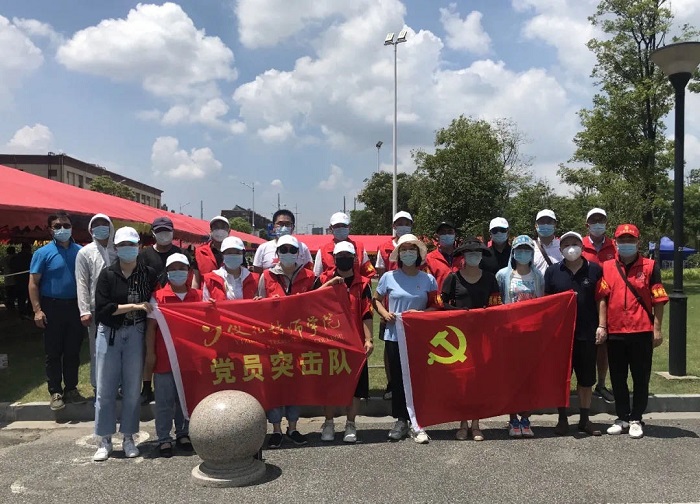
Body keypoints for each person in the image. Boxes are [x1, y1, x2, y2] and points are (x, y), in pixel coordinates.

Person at [597, 224, 668, 439]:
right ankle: (622, 417)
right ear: (615, 242)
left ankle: (636, 418)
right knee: (618, 377)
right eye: (622, 240)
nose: (626, 243)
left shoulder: (650, 266)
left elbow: (658, 300)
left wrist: (657, 329)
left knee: (640, 377)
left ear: (638, 242)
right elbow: (602, 298)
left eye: (630, 240)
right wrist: (602, 326)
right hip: (616, 330)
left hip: (641, 330)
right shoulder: (607, 266)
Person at [93, 226, 158, 461]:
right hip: (109, 333)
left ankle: (129, 437)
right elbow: (103, 309)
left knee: (132, 389)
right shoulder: (108, 274)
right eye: (122, 245)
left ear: (138, 246)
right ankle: (105, 439)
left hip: (135, 332)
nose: (127, 249)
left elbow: (156, 300)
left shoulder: (148, 273)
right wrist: (135, 306)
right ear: (116, 248)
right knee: (105, 389)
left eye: (131, 245)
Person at [373, 233, 442, 444]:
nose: (408, 253)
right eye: (404, 250)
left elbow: (436, 306)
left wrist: (422, 314)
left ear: (418, 253)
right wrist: (384, 313)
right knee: (398, 379)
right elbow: (376, 300)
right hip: (394, 335)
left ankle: (417, 421)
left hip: (418, 337)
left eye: (412, 249)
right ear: (399, 254)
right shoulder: (388, 277)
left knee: (418, 378)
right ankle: (401, 420)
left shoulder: (428, 279)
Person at [257, 235, 316, 448]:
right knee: (274, 383)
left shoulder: (310, 276)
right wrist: (265, 302)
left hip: (300, 339)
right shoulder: (266, 275)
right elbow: (258, 304)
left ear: (298, 253)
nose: (288, 253)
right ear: (277, 253)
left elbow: (316, 304)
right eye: (283, 249)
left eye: (292, 249)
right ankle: (276, 430)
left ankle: (293, 428)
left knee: (295, 383)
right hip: (273, 340)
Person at [441, 237, 501, 441]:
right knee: (462, 380)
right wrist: (459, 313)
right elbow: (442, 304)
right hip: (459, 338)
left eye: (477, 253)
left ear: (482, 256)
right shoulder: (453, 278)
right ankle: (462, 423)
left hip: (483, 336)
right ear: (463, 256)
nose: (474, 256)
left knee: (478, 381)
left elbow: (496, 305)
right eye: (470, 253)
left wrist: (484, 313)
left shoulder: (490, 279)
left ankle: (476, 424)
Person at [544, 231, 604, 437]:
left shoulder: (595, 270)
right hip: (561, 336)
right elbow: (547, 304)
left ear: (582, 247)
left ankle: (585, 419)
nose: (571, 247)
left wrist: (602, 325)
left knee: (586, 380)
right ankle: (562, 419)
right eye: (566, 244)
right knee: (562, 379)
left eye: (575, 243)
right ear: (560, 249)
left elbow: (601, 299)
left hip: (587, 333)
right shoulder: (553, 272)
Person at [28, 211, 87, 411]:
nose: (63, 229)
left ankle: (71, 389)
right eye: (58, 226)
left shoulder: (81, 252)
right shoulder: (42, 253)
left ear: (72, 228)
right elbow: (33, 283)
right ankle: (55, 391)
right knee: (53, 352)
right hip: (52, 306)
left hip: (76, 306)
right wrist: (37, 310)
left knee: (73, 351)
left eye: (66, 225)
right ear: (50, 230)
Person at [315, 241, 373, 443]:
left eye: (348, 256)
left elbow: (367, 313)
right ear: (334, 259)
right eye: (340, 256)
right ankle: (329, 422)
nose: (344, 259)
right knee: (330, 384)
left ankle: (351, 423)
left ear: (355, 259)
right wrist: (329, 285)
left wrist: (368, 339)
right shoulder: (323, 279)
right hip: (329, 341)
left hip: (355, 341)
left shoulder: (363, 283)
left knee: (356, 385)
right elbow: (311, 300)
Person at [145, 253, 199, 457]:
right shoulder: (158, 297)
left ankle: (183, 433)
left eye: (182, 268)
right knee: (165, 400)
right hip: (165, 357)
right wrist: (150, 353)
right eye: (173, 269)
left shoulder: (198, 296)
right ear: (167, 273)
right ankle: (164, 438)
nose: (178, 272)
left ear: (189, 272)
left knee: (184, 398)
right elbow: (151, 328)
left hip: (189, 358)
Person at [495, 235, 544, 438]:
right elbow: (498, 302)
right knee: (512, 377)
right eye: (520, 250)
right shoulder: (502, 275)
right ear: (513, 252)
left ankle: (526, 418)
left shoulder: (538, 276)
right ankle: (513, 418)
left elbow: (542, 302)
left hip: (532, 334)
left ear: (532, 253)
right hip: (510, 334)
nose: (523, 253)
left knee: (529, 377)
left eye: (527, 250)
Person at [138, 216, 183, 404]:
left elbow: (189, 278)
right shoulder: (145, 255)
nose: (164, 234)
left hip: (174, 306)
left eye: (167, 231)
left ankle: (178, 384)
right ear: (153, 233)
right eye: (160, 231)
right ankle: (146, 387)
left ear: (173, 232)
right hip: (150, 305)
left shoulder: (179, 253)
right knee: (149, 349)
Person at [375, 210, 414, 401]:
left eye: (407, 223)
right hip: (391, 309)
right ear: (393, 226)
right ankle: (392, 384)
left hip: (412, 305)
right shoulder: (383, 248)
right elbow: (380, 276)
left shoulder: (416, 245)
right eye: (400, 223)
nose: (403, 226)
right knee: (389, 347)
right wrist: (384, 310)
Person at [75, 213, 116, 395]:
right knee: (97, 349)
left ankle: (118, 385)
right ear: (91, 229)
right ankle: (98, 386)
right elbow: (81, 282)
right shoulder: (85, 253)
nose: (101, 228)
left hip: (119, 307)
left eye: (104, 224)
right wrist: (84, 310)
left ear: (110, 227)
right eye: (96, 225)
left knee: (118, 348)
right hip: (95, 309)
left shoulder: (118, 249)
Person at [581, 208, 616, 403]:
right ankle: (582, 383)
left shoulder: (615, 246)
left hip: (608, 302)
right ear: (587, 224)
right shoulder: (579, 245)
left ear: (606, 223)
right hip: (585, 302)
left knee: (603, 345)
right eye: (593, 220)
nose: (597, 223)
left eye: (600, 220)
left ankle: (601, 384)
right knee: (584, 345)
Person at [313, 212, 375, 278]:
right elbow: (317, 276)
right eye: (337, 226)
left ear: (349, 227)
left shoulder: (359, 248)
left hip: (355, 284)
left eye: (344, 225)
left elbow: (368, 274)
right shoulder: (323, 251)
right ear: (331, 228)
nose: (340, 228)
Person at [202, 236, 258, 301]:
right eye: (229, 253)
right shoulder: (211, 279)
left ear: (243, 255)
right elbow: (205, 303)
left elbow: (260, 304)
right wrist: (209, 304)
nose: (233, 256)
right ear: (223, 255)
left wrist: (258, 302)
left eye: (237, 253)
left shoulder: (254, 279)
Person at [192, 216, 230, 287]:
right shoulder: (200, 252)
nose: (219, 230)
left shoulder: (237, 252)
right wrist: (194, 293)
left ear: (229, 231)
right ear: (210, 231)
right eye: (216, 227)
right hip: (206, 293)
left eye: (223, 227)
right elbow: (196, 280)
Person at [424, 221, 462, 292]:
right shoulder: (429, 259)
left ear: (455, 234)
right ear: (437, 236)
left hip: (461, 298)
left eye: (450, 232)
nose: (446, 235)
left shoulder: (462, 257)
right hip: (439, 298)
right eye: (443, 232)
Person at [533, 209, 563, 275]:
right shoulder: (530, 247)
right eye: (542, 222)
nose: (545, 224)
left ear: (555, 225)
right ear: (536, 225)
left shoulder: (562, 246)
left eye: (549, 222)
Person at [11, 243, 33, 317]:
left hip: (19, 280)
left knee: (21, 297)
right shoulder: (31, 257)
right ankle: (29, 311)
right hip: (29, 279)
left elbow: (12, 266)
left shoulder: (15, 257)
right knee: (30, 296)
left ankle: (22, 312)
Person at [3, 246, 17, 311]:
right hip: (14, 279)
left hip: (8, 279)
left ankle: (10, 304)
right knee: (13, 293)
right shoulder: (16, 258)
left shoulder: (4, 259)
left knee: (9, 294)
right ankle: (10, 304)